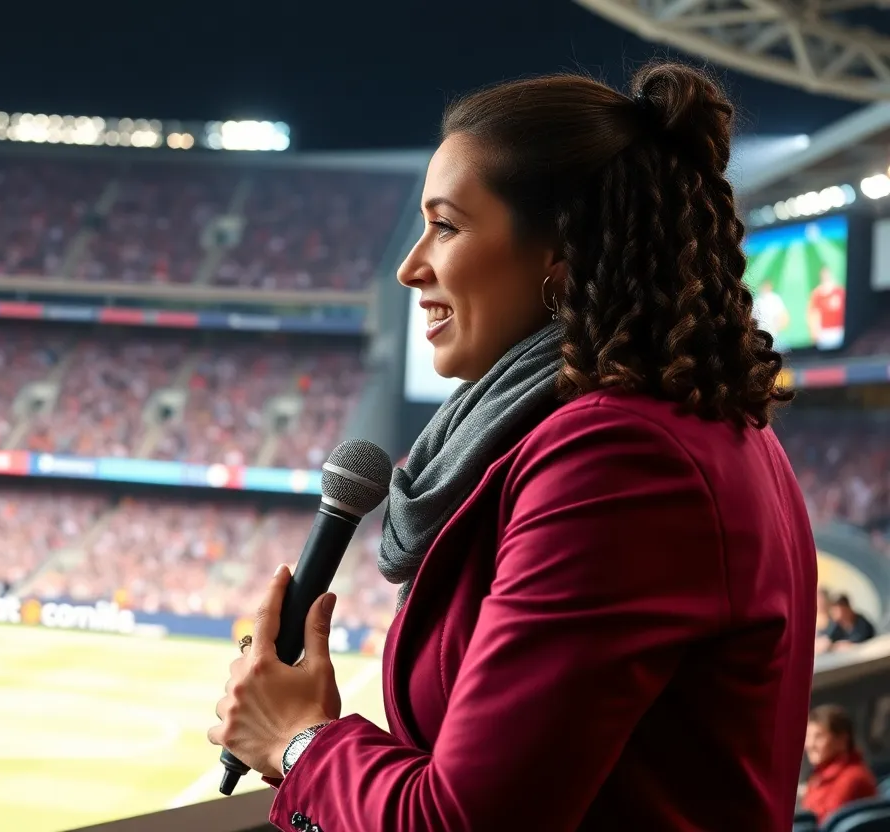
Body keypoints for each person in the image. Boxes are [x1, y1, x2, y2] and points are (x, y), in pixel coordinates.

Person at [206, 61, 817, 831]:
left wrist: (300, 744)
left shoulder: (617, 458)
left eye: (447, 225)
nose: (409, 266)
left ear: (560, 252)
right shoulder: (679, 426)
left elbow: (466, 822)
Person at [801, 704, 878, 823]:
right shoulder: (819, 778)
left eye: (819, 737)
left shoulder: (852, 778)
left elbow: (823, 823)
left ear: (842, 740)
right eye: (808, 737)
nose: (810, 745)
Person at [808, 265, 846, 350]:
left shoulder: (840, 291)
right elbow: (814, 315)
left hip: (839, 330)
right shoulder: (817, 293)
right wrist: (815, 334)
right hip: (825, 333)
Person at [753, 279, 790, 350]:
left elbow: (783, 315)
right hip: (761, 334)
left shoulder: (775, 299)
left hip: (774, 333)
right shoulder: (758, 301)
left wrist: (778, 327)